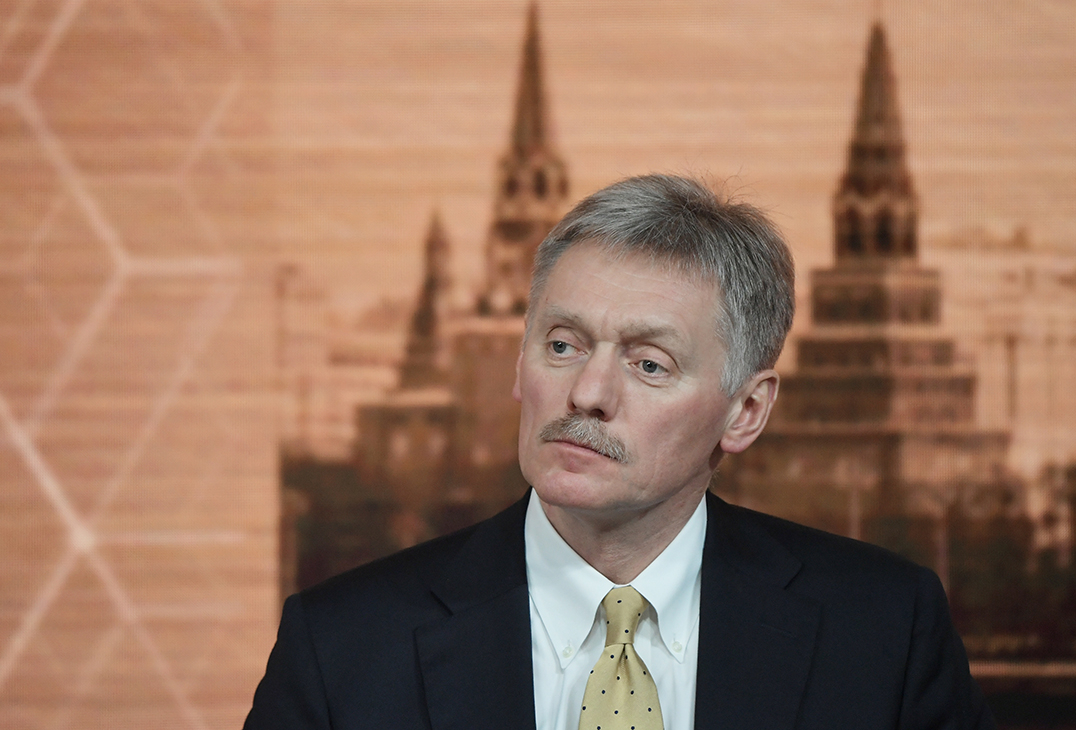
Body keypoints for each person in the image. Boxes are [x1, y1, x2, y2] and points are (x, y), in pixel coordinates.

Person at [244, 174, 993, 730]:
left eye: (649, 364)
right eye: (562, 346)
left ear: (746, 412)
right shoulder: (343, 647)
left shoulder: (883, 634)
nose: (588, 393)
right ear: (519, 366)